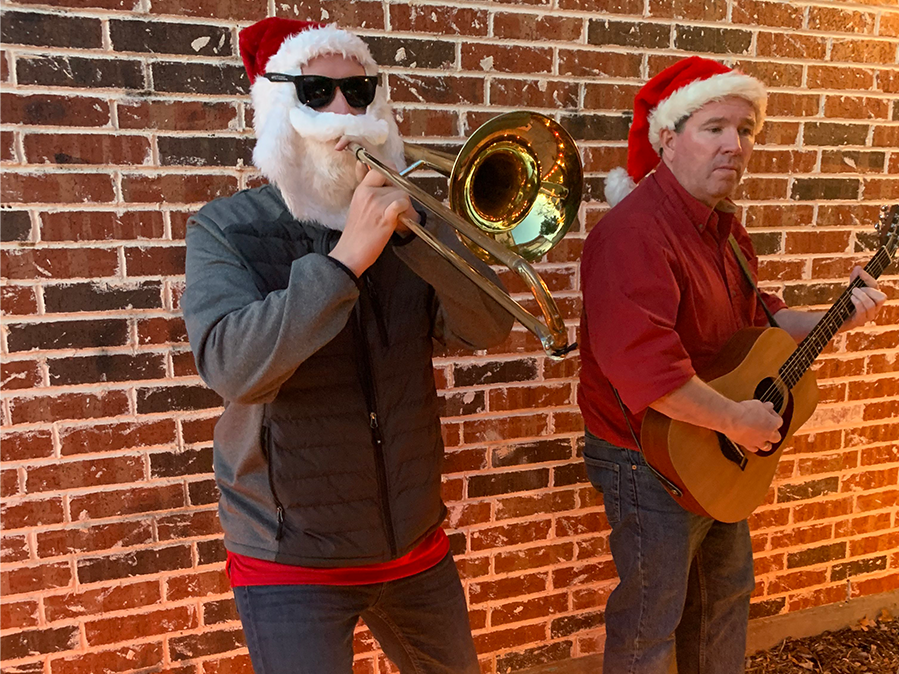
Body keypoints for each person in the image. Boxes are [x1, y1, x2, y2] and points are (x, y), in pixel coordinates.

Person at [181, 17, 513, 674]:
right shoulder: (225, 227)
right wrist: (345, 260)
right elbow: (230, 365)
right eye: (317, 93)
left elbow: (487, 328)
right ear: (278, 109)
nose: (344, 111)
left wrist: (420, 238)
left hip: (415, 544)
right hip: (289, 558)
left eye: (360, 94)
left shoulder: (406, 224)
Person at [577, 56, 886, 674]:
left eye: (745, 130)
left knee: (723, 601)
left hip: (715, 448)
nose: (735, 145)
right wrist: (737, 422)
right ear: (668, 137)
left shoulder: (722, 227)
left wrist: (837, 314)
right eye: (714, 127)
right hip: (651, 458)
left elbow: (760, 318)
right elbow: (649, 371)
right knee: (651, 622)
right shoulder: (633, 235)